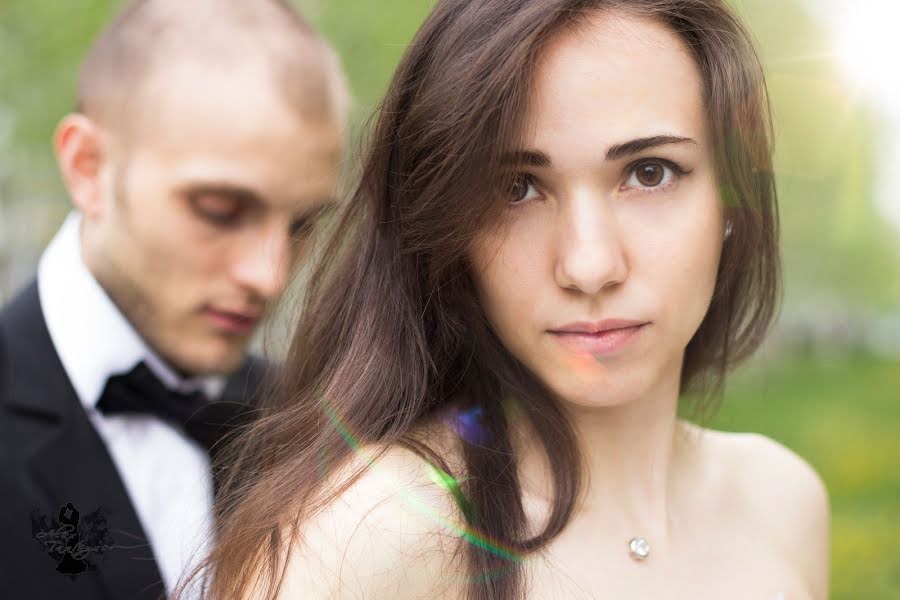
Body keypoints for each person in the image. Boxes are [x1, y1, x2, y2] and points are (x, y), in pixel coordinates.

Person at [181, 1, 831, 599]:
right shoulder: (377, 529)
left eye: (648, 172)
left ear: (732, 202)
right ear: (447, 229)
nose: (588, 264)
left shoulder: (782, 499)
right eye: (517, 187)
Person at [0, 0, 347, 598]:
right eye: (220, 210)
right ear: (88, 167)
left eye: (302, 225)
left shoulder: (316, 427)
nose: (270, 275)